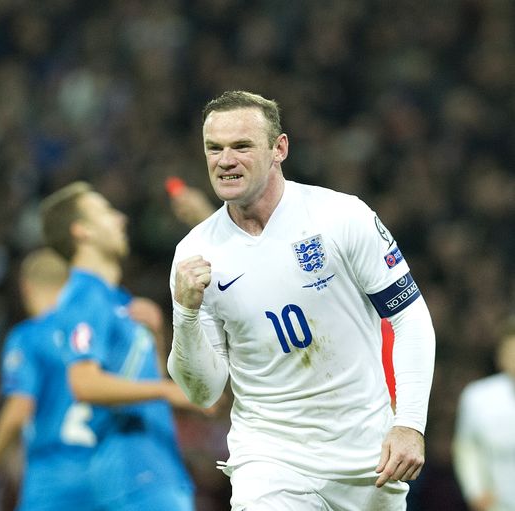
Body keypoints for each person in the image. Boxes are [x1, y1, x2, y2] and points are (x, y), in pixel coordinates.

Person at [167, 90, 436, 510]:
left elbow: (411, 318)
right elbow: (203, 392)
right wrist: (184, 314)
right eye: (214, 148)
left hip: (367, 459)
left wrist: (410, 425)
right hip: (271, 459)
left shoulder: (341, 217)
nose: (225, 160)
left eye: (241, 146)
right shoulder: (194, 254)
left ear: (279, 148)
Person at [39, 181, 197, 511]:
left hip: (158, 464)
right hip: (133, 474)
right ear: (82, 231)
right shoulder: (84, 297)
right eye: (106, 212)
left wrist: (156, 338)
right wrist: (167, 391)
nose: (121, 219)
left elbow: (143, 380)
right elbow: (84, 383)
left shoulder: (120, 303)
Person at [0, 248, 97, 511]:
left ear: (25, 287)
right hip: (103, 472)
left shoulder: (28, 337)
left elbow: (19, 408)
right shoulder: (95, 335)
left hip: (53, 474)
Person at [452, 319, 515, 511]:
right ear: (500, 356)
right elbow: (466, 447)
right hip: (498, 503)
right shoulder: (478, 396)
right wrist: (474, 490)